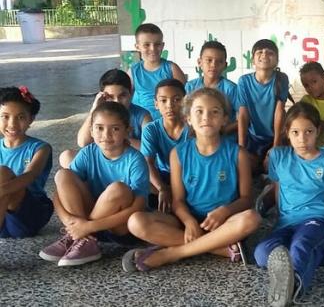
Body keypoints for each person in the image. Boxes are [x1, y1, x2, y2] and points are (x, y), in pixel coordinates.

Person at [122, 88, 260, 271]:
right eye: (199, 111)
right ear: (188, 119)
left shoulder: (238, 154)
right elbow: (178, 201)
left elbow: (246, 199)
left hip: (225, 222)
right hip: (187, 221)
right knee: (136, 222)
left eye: (215, 112)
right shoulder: (178, 154)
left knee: (252, 218)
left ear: (225, 119)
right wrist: (189, 221)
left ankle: (172, 253)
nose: (206, 117)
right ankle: (220, 248)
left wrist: (224, 211)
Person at [253, 103, 324, 306]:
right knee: (262, 253)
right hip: (287, 222)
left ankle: (292, 286)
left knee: (300, 245)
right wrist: (279, 217)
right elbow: (278, 188)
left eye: (308, 132)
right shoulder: (278, 157)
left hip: (318, 219)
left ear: (318, 132)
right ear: (287, 132)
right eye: (295, 132)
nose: (302, 139)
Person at [39, 102, 148, 266]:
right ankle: (80, 239)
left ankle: (83, 236)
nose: (106, 135)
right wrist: (69, 221)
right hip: (87, 221)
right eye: (99, 128)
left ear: (128, 131)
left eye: (115, 129)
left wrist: (90, 226)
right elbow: (60, 191)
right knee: (63, 175)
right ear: (91, 130)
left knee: (118, 188)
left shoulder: (135, 160)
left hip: (117, 227)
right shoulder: (88, 153)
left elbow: (138, 206)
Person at [59, 69, 152, 169]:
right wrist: (94, 109)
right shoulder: (99, 114)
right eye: (110, 97)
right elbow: (82, 142)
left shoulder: (143, 116)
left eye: (122, 96)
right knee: (66, 156)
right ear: (102, 97)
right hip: (101, 162)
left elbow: (150, 149)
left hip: (128, 164)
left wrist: (119, 137)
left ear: (131, 93)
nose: (117, 102)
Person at [0, 87, 53, 238]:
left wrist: (2, 190)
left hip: (28, 215)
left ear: (31, 119)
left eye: (20, 117)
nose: (12, 124)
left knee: (2, 172)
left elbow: (30, 175)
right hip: (3, 221)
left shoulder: (40, 148)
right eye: (5, 116)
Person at [238, 39, 290, 171]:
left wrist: (276, 145)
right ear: (252, 60)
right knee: (247, 166)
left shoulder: (281, 79)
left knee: (273, 166)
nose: (264, 55)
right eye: (260, 52)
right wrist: (241, 148)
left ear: (277, 60)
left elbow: (279, 111)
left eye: (270, 52)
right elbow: (243, 115)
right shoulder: (244, 81)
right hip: (253, 138)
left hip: (274, 137)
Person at [140, 79, 190, 213]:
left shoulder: (192, 128)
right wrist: (162, 188)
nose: (169, 106)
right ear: (156, 104)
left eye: (176, 99)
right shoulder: (151, 129)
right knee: (140, 179)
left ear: (185, 102)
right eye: (163, 100)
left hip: (188, 175)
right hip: (163, 174)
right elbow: (148, 162)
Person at [128, 23, 186, 119]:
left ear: (162, 46)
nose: (152, 49)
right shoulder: (133, 72)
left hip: (170, 121)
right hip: (142, 123)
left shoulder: (172, 68)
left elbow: (186, 99)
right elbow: (125, 99)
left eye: (157, 44)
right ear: (137, 47)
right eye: (146, 45)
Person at [185, 41, 239, 138]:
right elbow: (185, 115)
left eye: (219, 61)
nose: (213, 65)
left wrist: (221, 130)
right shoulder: (190, 87)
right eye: (209, 60)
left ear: (225, 65)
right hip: (197, 138)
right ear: (199, 62)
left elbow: (241, 119)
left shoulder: (231, 89)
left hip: (224, 138)